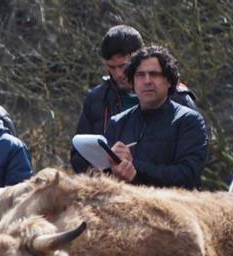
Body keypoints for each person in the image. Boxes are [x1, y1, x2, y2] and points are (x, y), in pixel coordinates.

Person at [71, 25, 198, 173]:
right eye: (112, 67)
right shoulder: (97, 99)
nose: (118, 74)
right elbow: (77, 157)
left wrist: (133, 165)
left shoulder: (178, 97)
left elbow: (192, 163)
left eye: (123, 66)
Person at [103, 45, 207, 189]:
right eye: (140, 75)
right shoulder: (118, 123)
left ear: (169, 81)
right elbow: (103, 176)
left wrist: (134, 166)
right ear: (133, 82)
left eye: (154, 74)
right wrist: (115, 171)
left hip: (173, 208)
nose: (147, 81)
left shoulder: (189, 121)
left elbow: (188, 175)